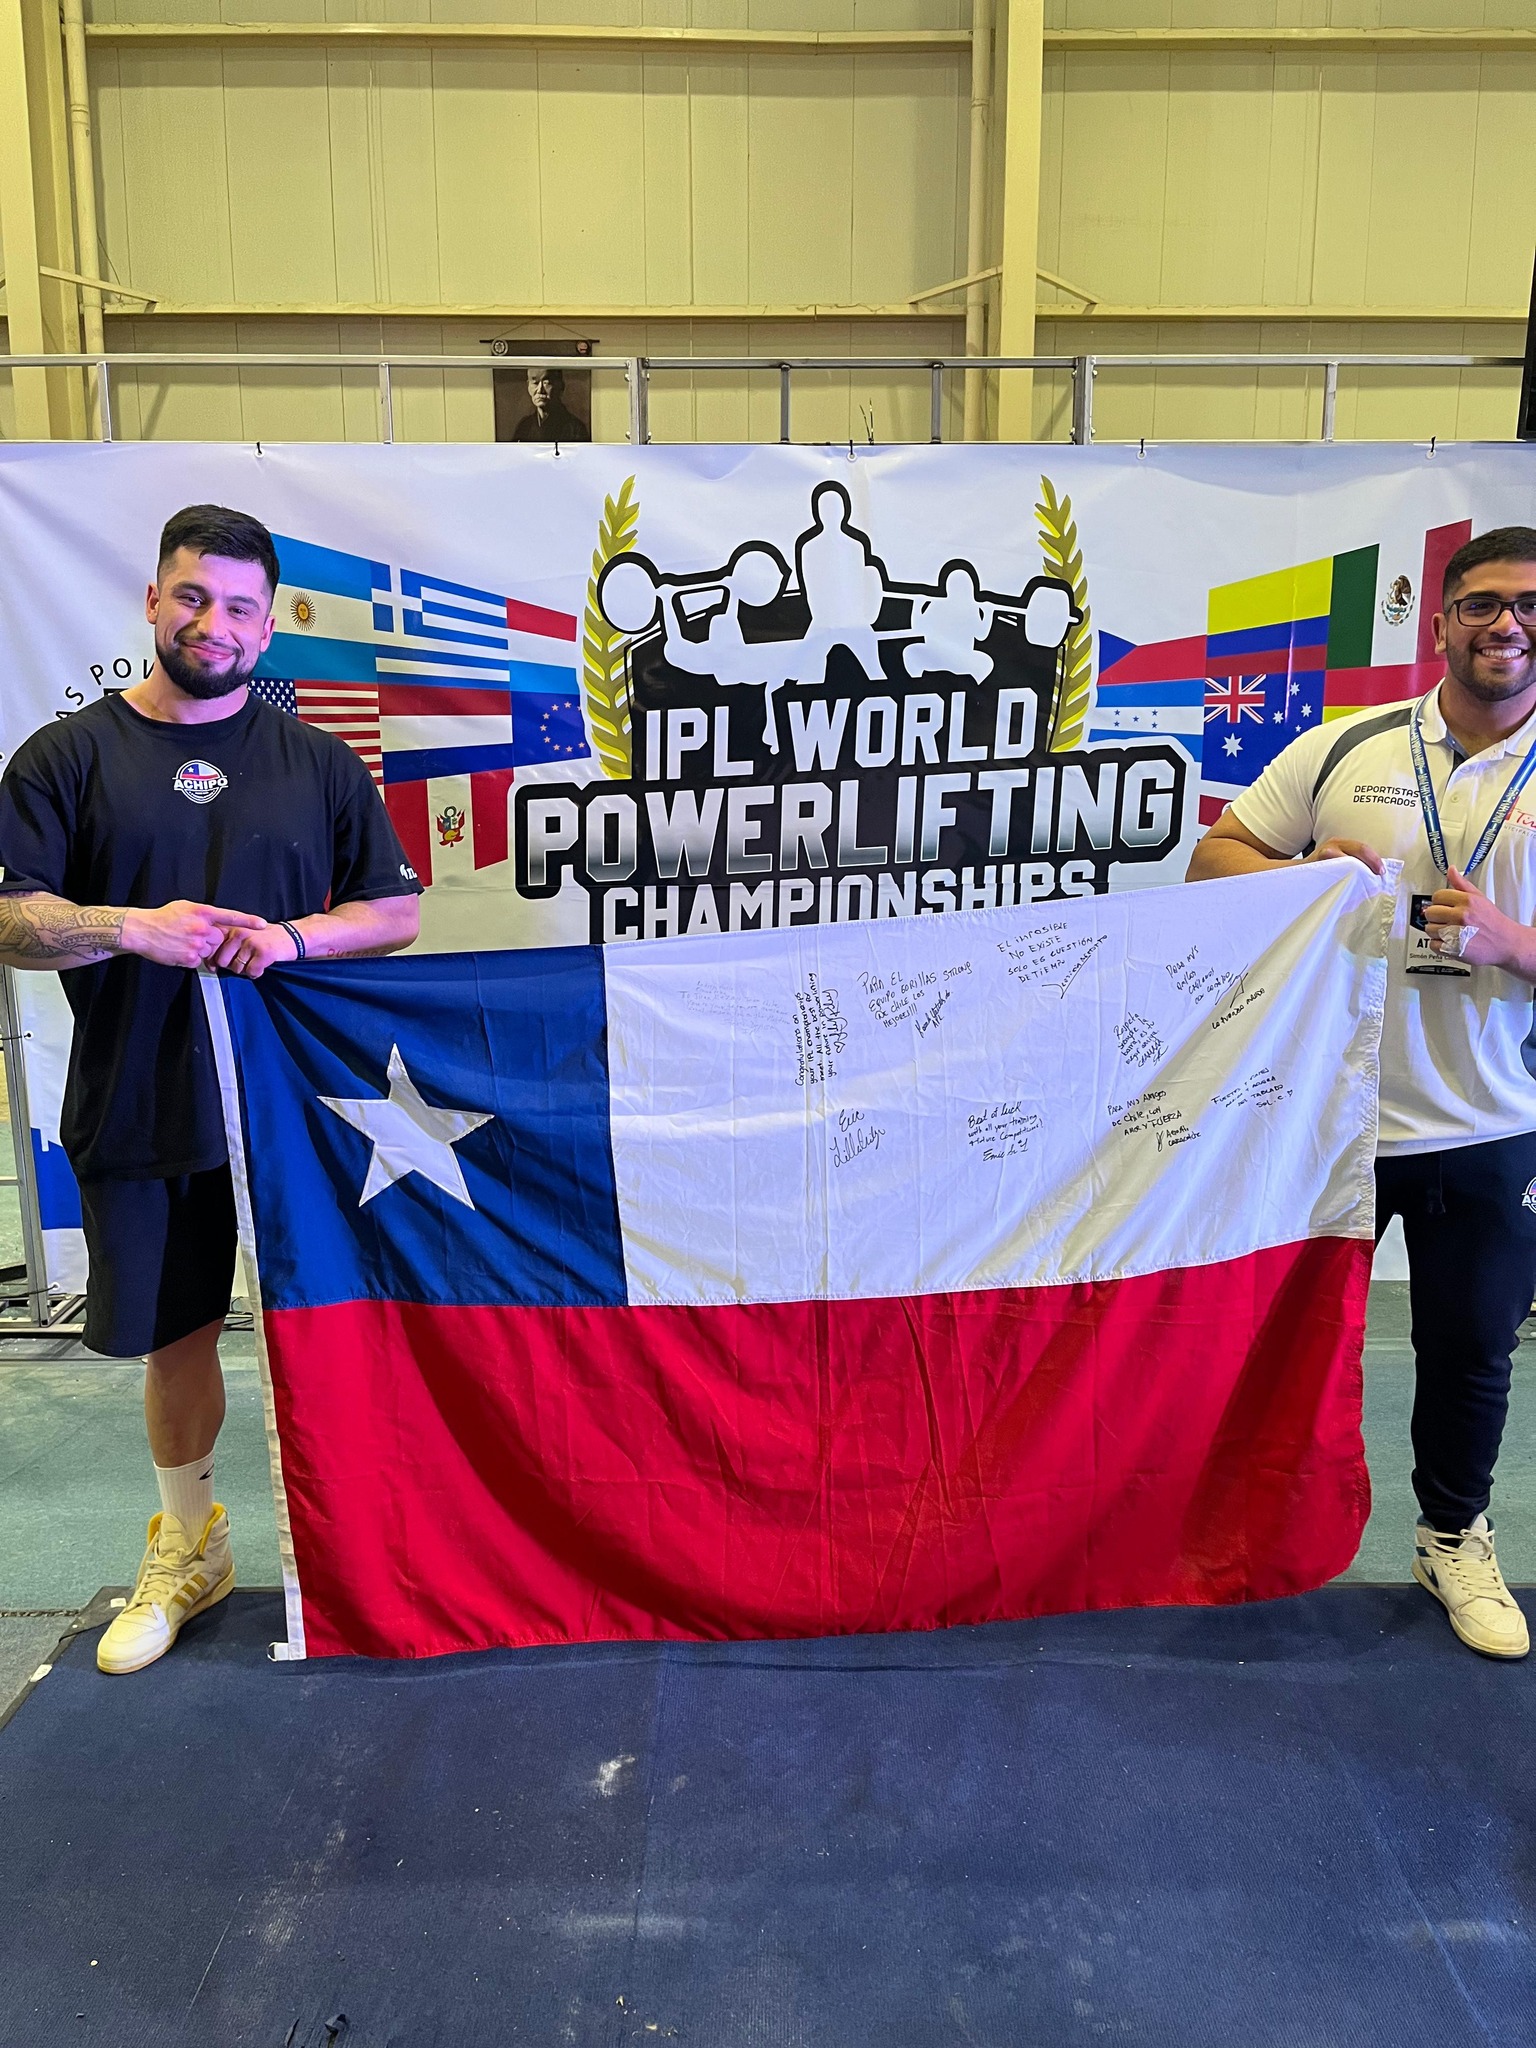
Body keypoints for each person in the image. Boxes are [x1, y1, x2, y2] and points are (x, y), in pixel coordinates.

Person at [0, 504, 422, 1675]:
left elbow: (393, 909)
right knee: (177, 1336)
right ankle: (190, 1544)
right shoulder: (65, 757)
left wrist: (290, 938)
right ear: (153, 601)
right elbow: (12, 920)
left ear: (269, 623)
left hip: (310, 1110)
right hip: (143, 1096)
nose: (214, 623)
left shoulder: (317, 761)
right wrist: (131, 925)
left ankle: (374, 1546)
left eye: (240, 605)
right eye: (192, 596)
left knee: (343, 1323)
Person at [1188, 525, 1536, 1659]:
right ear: (1440, 624)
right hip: (1323, 1116)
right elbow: (1213, 857)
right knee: (1272, 1338)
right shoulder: (1349, 744)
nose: (1507, 624)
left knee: (1472, 1348)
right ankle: (1226, 1534)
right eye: (1482, 603)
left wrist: (1512, 944)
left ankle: (1452, 1536)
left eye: (1530, 605)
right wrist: (1300, 873)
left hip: (1492, 1120)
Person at [510, 365, 591, 444]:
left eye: (546, 383)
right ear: (528, 386)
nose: (540, 390)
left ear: (561, 386)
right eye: (535, 383)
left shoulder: (575, 428)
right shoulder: (524, 426)